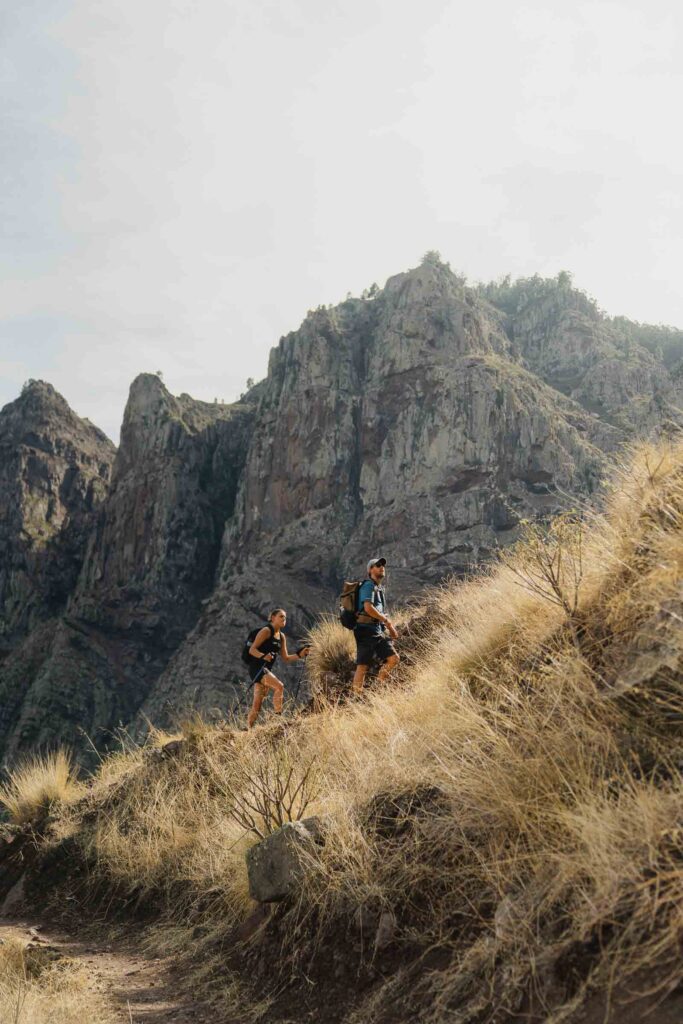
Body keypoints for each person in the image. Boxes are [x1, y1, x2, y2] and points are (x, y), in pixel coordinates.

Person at [246, 608, 308, 728]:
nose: (284, 619)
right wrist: (263, 656)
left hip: (265, 670)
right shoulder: (266, 631)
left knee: (257, 704)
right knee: (279, 686)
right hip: (257, 668)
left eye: (285, 617)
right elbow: (252, 650)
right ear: (273, 618)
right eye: (281, 616)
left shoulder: (282, 636)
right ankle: (278, 718)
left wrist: (301, 654)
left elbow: (286, 658)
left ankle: (247, 729)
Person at [352, 557, 399, 696]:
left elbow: (379, 613)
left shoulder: (379, 589)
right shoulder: (368, 585)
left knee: (393, 659)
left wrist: (388, 628)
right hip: (365, 630)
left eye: (383, 565)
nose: (381, 567)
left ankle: (378, 687)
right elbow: (368, 607)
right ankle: (357, 698)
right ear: (370, 570)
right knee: (362, 666)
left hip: (376, 630)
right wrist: (386, 621)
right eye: (377, 565)